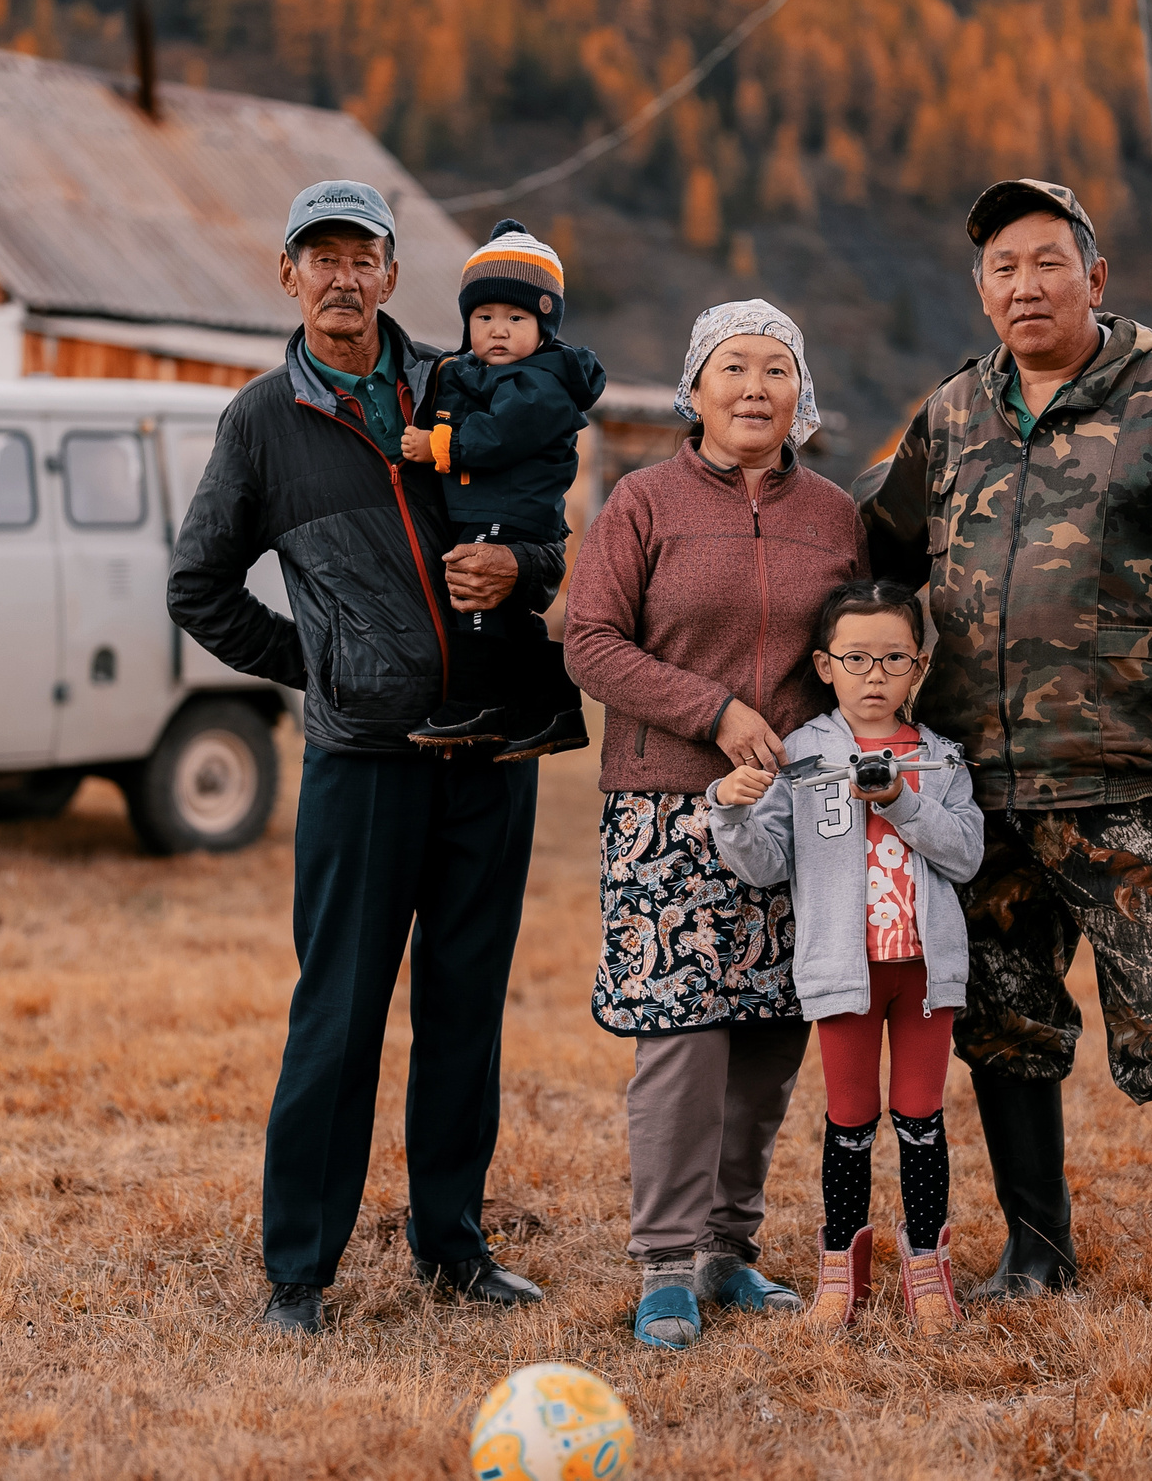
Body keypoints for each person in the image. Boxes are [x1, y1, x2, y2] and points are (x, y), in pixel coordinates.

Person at [855, 178, 1152, 1338]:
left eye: (1045, 262)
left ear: (1093, 279)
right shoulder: (952, 413)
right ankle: (1037, 1253)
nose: (1023, 286)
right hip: (976, 790)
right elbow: (865, 547)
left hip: (1125, 777)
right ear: (980, 290)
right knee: (1003, 1015)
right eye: (1001, 268)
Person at [168, 179, 570, 1337]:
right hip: (365, 761)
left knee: (463, 1014)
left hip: (492, 750)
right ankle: (299, 1273)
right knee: (337, 1016)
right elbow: (196, 586)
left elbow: (544, 524)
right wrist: (327, 665)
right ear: (286, 276)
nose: (342, 276)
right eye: (320, 257)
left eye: (363, 256)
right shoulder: (261, 422)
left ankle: (453, 1249)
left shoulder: (466, 386)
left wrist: (525, 574)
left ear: (394, 275)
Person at [562, 299, 865, 1350]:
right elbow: (590, 643)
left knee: (772, 1035)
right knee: (679, 1036)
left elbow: (857, 647)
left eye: (775, 370)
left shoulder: (834, 515)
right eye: (732, 368)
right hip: (665, 809)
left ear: (800, 395)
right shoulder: (642, 503)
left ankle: (730, 1250)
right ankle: (664, 1265)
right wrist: (715, 712)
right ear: (694, 390)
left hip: (799, 809)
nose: (753, 388)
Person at [706, 578, 985, 1336]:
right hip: (843, 972)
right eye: (856, 657)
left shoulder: (940, 756)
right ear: (825, 665)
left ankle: (926, 1264)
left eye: (893, 657)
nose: (874, 675)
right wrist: (727, 807)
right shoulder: (801, 755)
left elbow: (965, 855)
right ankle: (843, 1268)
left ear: (919, 667)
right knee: (851, 1120)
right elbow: (765, 862)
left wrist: (900, 798)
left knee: (922, 1119)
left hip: (926, 976)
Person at [401, 219, 605, 759]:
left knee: (472, 596)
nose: (497, 329)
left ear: (544, 328)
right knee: (507, 618)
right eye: (483, 316)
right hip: (497, 505)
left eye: (516, 318)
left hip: (510, 509)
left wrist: (437, 445)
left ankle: (477, 702)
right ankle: (552, 709)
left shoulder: (540, 382)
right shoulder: (480, 371)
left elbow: (499, 436)